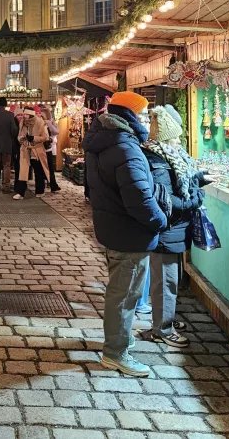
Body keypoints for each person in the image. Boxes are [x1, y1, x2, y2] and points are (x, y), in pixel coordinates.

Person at [82, 91, 168, 377]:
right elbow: (139, 198)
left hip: (112, 228)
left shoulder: (103, 138)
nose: (146, 118)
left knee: (121, 290)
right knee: (125, 293)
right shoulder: (124, 146)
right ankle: (115, 352)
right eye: (142, 113)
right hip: (129, 232)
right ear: (130, 115)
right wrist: (160, 221)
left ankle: (118, 338)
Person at [139, 105, 208, 348]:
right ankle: (162, 329)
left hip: (174, 230)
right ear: (166, 139)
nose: (179, 142)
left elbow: (177, 183)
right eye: (176, 138)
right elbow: (168, 200)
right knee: (165, 282)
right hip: (167, 230)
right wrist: (195, 199)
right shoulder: (158, 161)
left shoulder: (166, 157)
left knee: (170, 279)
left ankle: (164, 319)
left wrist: (198, 178)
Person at [13, 108, 51, 199]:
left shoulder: (40, 122)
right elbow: (19, 135)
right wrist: (21, 138)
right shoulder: (22, 123)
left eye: (26, 114)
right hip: (25, 148)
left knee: (38, 170)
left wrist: (33, 138)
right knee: (23, 171)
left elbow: (45, 137)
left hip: (36, 150)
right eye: (23, 114)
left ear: (30, 114)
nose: (24, 116)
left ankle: (40, 191)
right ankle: (20, 193)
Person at [42, 107, 61, 193]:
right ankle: (45, 184)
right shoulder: (39, 122)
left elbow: (56, 132)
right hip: (41, 148)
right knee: (43, 168)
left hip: (48, 148)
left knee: (50, 167)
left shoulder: (51, 122)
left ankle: (52, 184)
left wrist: (49, 123)